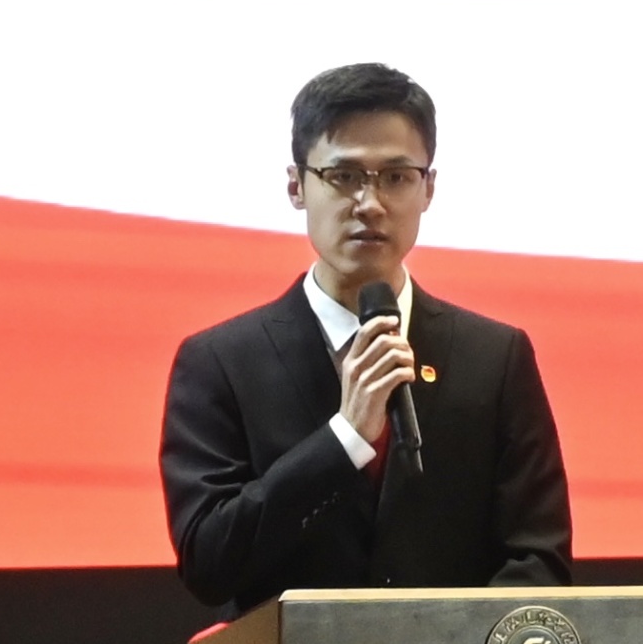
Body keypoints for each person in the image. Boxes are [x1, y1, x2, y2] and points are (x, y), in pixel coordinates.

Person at [160, 63, 572, 619]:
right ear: (296, 186)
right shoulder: (221, 363)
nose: (370, 203)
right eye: (344, 176)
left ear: (428, 189)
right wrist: (345, 439)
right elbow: (209, 562)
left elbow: (538, 557)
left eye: (396, 177)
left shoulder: (495, 358)